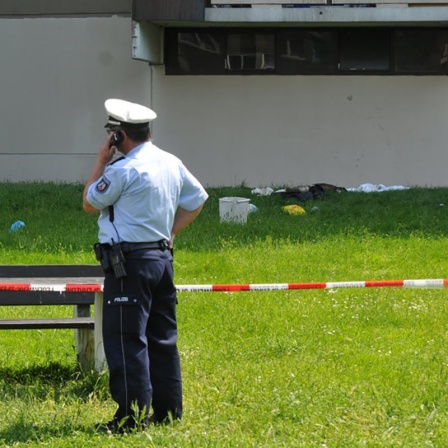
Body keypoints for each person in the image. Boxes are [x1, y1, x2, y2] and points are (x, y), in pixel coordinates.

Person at [83, 98, 208, 433]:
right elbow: (197, 200)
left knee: (126, 339)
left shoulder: (122, 169)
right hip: (161, 260)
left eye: (111, 134)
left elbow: (90, 202)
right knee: (162, 338)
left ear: (118, 136)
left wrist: (100, 161)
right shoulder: (171, 162)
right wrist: (170, 233)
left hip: (129, 266)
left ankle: (130, 419)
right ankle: (168, 413)